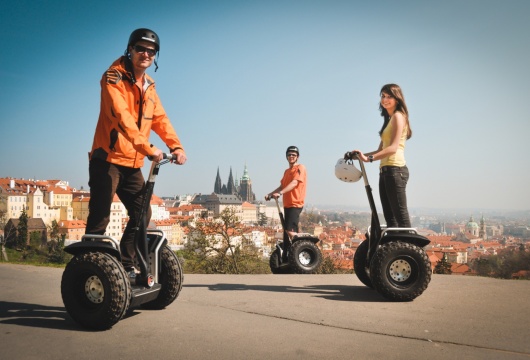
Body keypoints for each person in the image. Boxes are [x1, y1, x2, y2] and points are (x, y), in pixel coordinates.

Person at [85, 28, 187, 276]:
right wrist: (149, 148)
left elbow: (160, 119)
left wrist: (176, 145)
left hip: (132, 163)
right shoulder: (113, 78)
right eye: (140, 48)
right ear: (129, 49)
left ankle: (126, 262)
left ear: (155, 57)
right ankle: (89, 267)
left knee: (142, 212)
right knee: (101, 216)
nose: (146, 54)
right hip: (107, 159)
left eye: (151, 51)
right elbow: (122, 119)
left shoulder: (149, 86)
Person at [352, 83, 412, 228]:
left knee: (401, 219)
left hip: (396, 170)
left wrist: (369, 159)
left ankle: (411, 250)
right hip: (385, 170)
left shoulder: (398, 116)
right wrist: (359, 156)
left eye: (389, 96)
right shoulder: (389, 121)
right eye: (383, 96)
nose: (385, 99)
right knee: (390, 220)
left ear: (397, 99)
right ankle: (396, 248)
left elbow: (393, 148)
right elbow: (380, 149)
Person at [265, 146, 307, 255]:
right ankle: (290, 254)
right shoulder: (287, 171)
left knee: (290, 231)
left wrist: (280, 193)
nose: (291, 156)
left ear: (297, 157)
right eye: (289, 154)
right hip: (287, 205)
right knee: (286, 233)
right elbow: (282, 186)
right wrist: (270, 194)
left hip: (295, 203)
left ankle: (305, 242)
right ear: (286, 157)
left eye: (293, 155)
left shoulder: (300, 168)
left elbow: (294, 183)